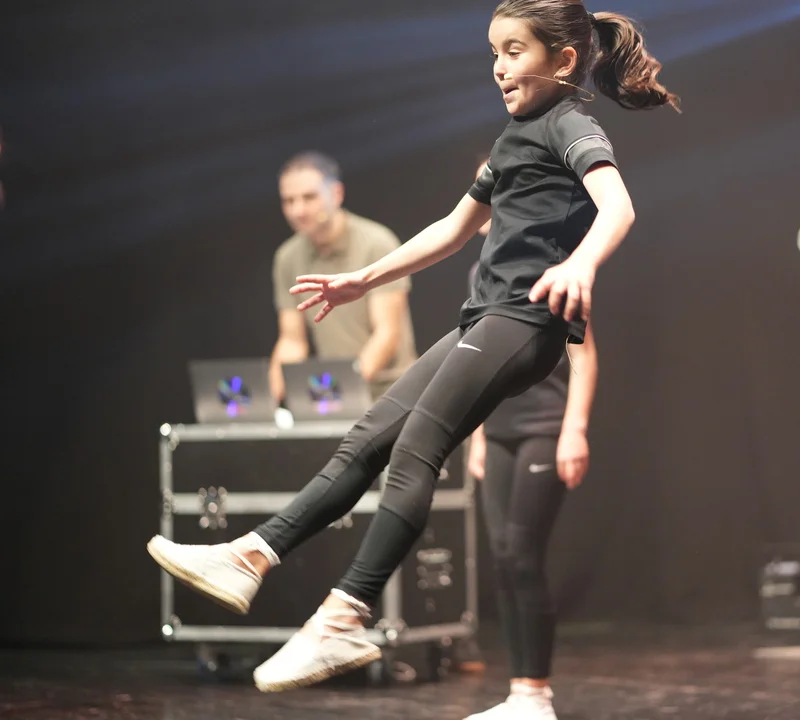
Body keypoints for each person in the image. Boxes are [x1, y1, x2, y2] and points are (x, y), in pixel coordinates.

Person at [146, 0, 678, 701]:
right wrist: (363, 279)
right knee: (368, 437)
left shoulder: (569, 123)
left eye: (514, 51)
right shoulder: (515, 137)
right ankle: (251, 555)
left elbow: (619, 206)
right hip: (484, 319)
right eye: (493, 53)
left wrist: (580, 264)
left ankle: (345, 616)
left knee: (416, 449)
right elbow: (453, 229)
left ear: (564, 60)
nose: (499, 67)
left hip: (522, 323)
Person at [464, 227, 599, 720]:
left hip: (545, 426)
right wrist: (478, 434)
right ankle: (519, 693)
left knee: (523, 555)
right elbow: (479, 358)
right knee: (503, 556)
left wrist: (574, 430)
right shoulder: (481, 271)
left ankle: (537, 695)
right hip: (498, 430)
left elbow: (583, 352)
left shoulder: (559, 268)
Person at [270, 151, 417, 403]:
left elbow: (386, 333)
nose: (298, 210)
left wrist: (339, 395)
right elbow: (292, 341)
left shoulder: (375, 243)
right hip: (336, 394)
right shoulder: (288, 257)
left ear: (336, 194)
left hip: (392, 393)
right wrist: (269, 404)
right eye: (289, 201)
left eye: (309, 197)